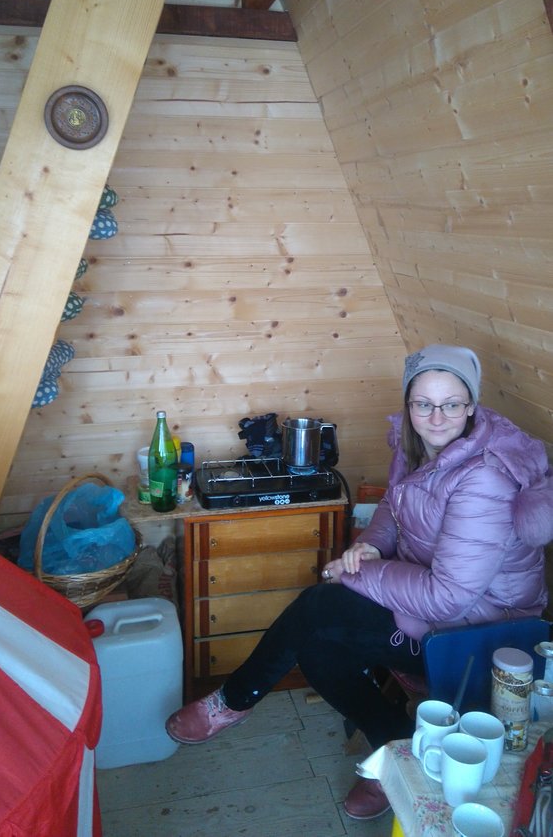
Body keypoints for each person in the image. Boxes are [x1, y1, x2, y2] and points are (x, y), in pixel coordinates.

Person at [166, 344, 553, 821]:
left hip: (481, 635)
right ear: (408, 405)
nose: (436, 417)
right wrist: (368, 546)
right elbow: (393, 506)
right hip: (434, 608)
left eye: (451, 404)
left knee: (319, 608)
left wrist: (358, 574)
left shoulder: (484, 477)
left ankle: (235, 699)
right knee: (315, 644)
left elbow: (449, 597)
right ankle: (395, 749)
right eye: (423, 404)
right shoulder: (420, 447)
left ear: (472, 405)